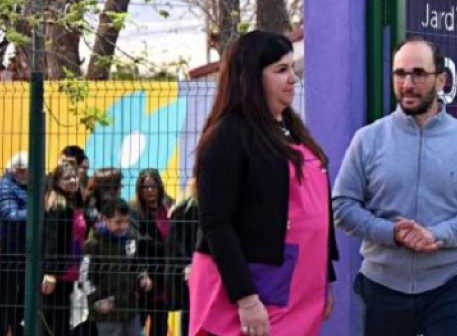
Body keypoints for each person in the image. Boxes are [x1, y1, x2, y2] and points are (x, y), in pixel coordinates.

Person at [333, 36, 457, 336]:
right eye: (400, 73)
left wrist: (437, 235)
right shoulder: (368, 139)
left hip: (452, 286)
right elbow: (342, 206)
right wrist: (391, 233)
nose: (408, 83)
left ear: (441, 79)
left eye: (419, 74)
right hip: (383, 287)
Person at [189, 30, 338, 336]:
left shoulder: (293, 131)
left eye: (292, 69)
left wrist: (325, 281)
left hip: (298, 287)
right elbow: (216, 223)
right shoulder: (226, 136)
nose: (292, 79)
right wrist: (245, 298)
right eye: (280, 70)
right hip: (255, 289)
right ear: (250, 78)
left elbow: (319, 216)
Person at [86, 198, 151, 336]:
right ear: (105, 219)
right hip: (106, 310)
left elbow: (136, 263)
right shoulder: (94, 243)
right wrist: (96, 301)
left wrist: (142, 276)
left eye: (126, 221)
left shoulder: (130, 238)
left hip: (130, 307)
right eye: (118, 222)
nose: (123, 226)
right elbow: (85, 277)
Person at [42, 162, 89, 335]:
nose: (72, 180)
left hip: (71, 270)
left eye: (74, 176)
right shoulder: (58, 206)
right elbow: (51, 240)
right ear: (57, 181)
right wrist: (51, 273)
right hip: (59, 272)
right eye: (67, 178)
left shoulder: (73, 203)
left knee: (64, 320)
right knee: (56, 321)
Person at [0, 152, 30, 336]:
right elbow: (11, 216)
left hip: (21, 255)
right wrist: (38, 210)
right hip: (6, 257)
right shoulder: (4, 187)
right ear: (19, 171)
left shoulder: (24, 186)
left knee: (19, 308)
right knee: (3, 306)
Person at [130, 169, 173, 336]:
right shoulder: (134, 210)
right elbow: (136, 242)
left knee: (160, 322)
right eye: (145, 187)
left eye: (153, 186)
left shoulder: (169, 206)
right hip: (144, 273)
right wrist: (142, 272)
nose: (149, 191)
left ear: (159, 187)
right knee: (138, 322)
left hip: (165, 274)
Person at [166, 178, 200, 335]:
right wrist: (187, 266)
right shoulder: (182, 212)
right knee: (189, 313)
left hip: (213, 273)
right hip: (188, 272)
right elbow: (176, 244)